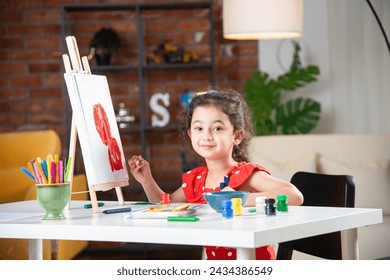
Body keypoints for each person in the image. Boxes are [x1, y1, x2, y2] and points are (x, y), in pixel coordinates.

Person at [128, 88, 304, 260]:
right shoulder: (196, 180)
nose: (207, 136)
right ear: (190, 134)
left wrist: (239, 199)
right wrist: (147, 180)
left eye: (217, 128)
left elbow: (294, 195)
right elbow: (165, 206)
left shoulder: (244, 174)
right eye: (199, 128)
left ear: (237, 136)